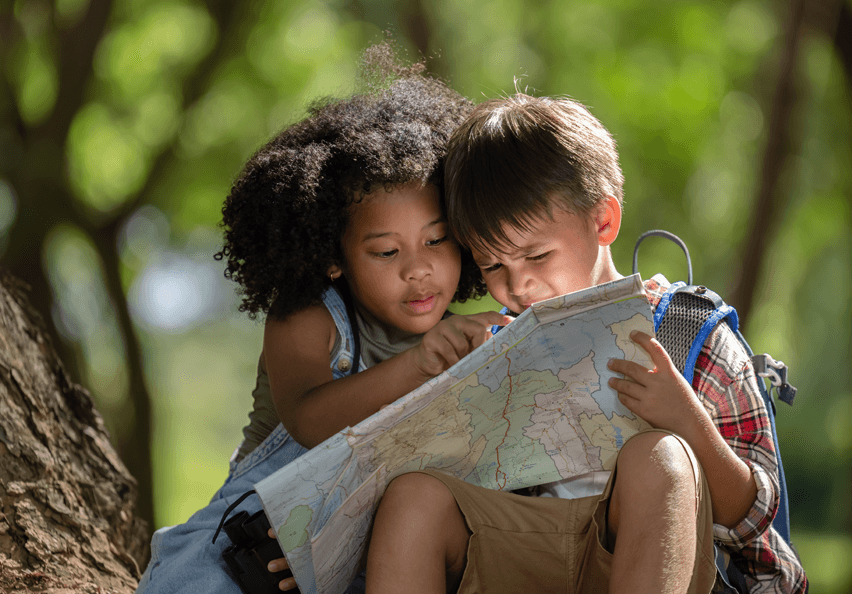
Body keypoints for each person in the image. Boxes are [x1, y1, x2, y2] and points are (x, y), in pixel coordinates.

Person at [364, 94, 807, 593]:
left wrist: (686, 422)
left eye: (536, 255)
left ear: (602, 222)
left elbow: (753, 519)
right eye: (493, 266)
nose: (518, 286)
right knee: (412, 499)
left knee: (657, 458)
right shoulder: (497, 346)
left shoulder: (687, 336)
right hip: (533, 554)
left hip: (674, 564)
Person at [135, 47, 508, 594]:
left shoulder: (470, 341)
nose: (418, 269)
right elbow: (310, 419)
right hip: (250, 545)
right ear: (334, 257)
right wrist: (423, 363)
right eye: (386, 252)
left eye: (436, 240)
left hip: (367, 555)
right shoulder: (310, 317)